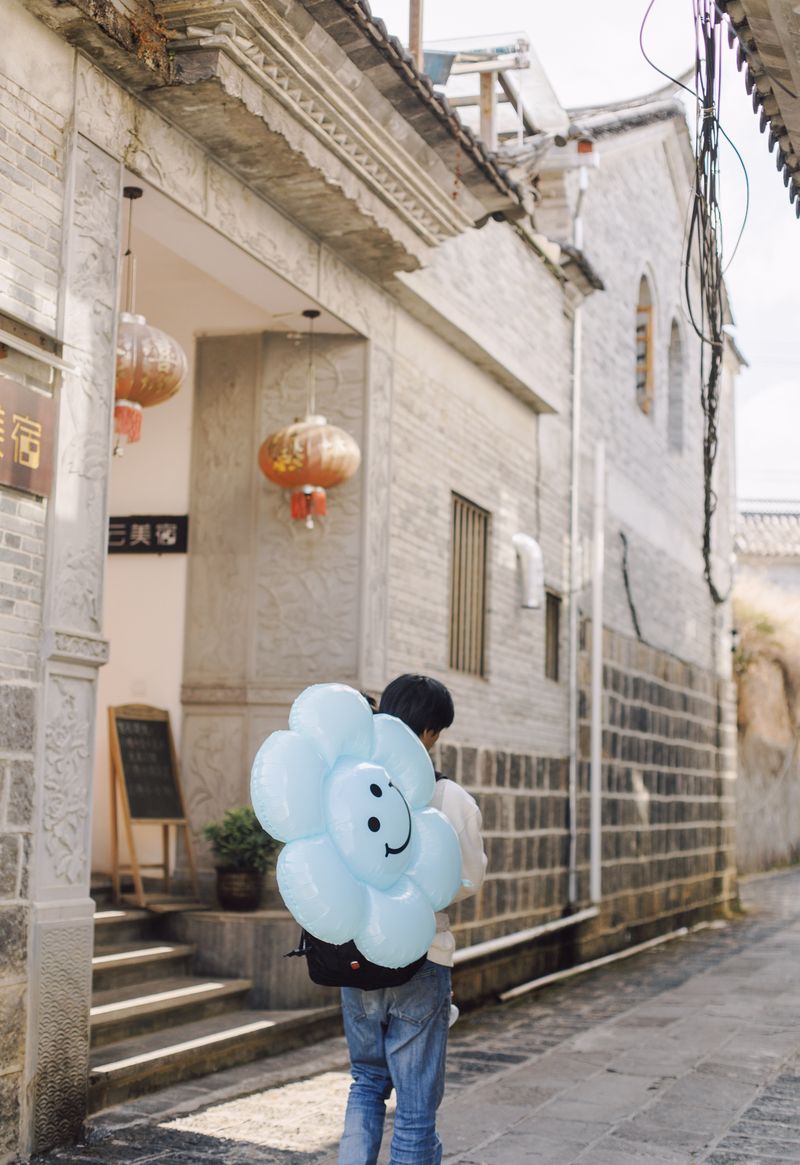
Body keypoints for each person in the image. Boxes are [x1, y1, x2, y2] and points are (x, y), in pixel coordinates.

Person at [338, 674, 487, 1165]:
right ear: (429, 732)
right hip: (422, 954)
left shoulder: (347, 785)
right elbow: (467, 882)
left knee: (366, 1084)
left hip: (354, 952)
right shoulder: (451, 800)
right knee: (416, 1109)